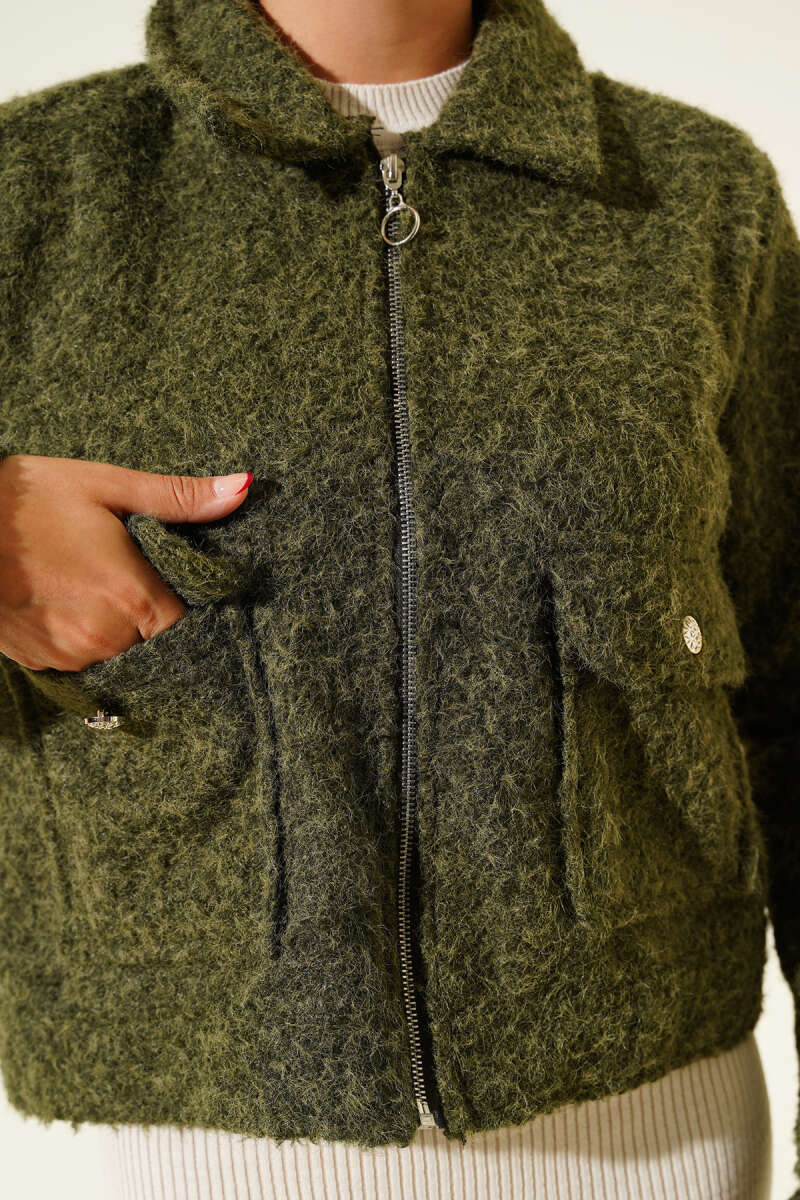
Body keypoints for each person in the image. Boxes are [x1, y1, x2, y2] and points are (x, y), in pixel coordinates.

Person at [0, 1, 796, 1197]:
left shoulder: (695, 195)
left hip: (655, 1122)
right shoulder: (35, 184)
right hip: (189, 1129)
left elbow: (788, 669)